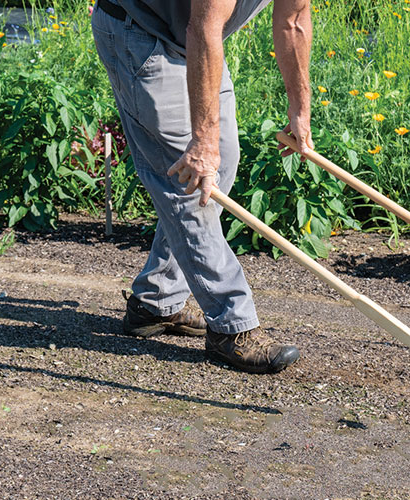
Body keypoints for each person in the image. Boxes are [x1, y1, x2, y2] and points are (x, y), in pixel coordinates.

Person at [90, 0, 314, 373]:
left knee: (220, 166)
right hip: (140, 32)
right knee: (190, 186)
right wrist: (201, 141)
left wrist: (299, 106)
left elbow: (293, 20)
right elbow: (204, 29)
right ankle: (232, 326)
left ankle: (155, 299)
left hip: (191, 39)